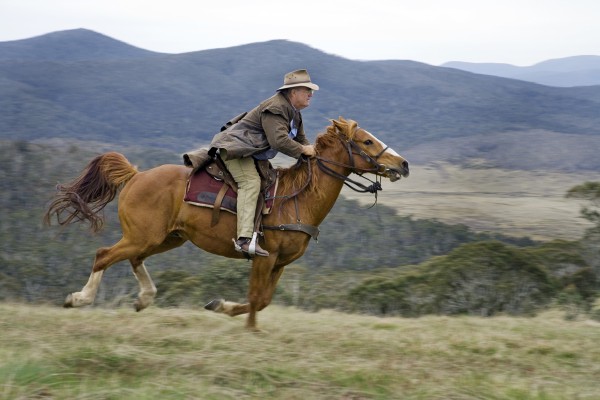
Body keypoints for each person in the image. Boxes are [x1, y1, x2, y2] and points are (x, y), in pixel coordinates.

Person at [208, 69, 319, 257]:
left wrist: (315, 156)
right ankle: (243, 240)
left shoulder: (294, 113)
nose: (311, 94)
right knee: (250, 183)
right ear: (293, 92)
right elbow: (279, 141)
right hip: (236, 151)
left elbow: (302, 140)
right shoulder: (276, 108)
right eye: (306, 90)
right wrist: (303, 151)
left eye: (311, 91)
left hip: (252, 154)